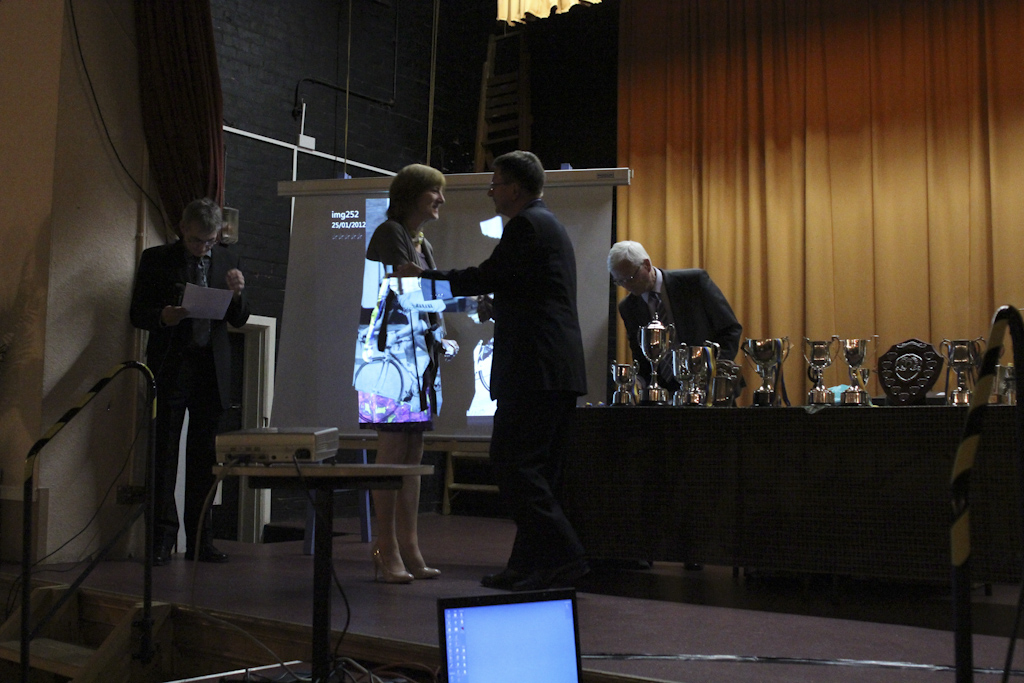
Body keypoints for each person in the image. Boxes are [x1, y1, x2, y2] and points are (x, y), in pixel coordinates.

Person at [396, 150, 589, 592]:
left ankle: (567, 555)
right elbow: (532, 293)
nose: (490, 191)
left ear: (515, 189)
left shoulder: (527, 225)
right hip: (553, 371)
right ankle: (527, 566)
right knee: (537, 472)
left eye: (495, 183)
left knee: (513, 465)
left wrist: (424, 277)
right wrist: (500, 307)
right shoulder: (548, 225)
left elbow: (486, 275)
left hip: (534, 372)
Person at [130, 198, 250, 565]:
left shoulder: (228, 259)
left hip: (211, 368)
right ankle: (162, 540)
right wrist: (162, 317)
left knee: (204, 458)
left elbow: (239, 320)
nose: (202, 248)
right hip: (172, 364)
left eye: (210, 241)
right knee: (164, 454)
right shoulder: (156, 259)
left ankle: (201, 540)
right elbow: (137, 312)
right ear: (182, 228)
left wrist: (238, 294)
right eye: (197, 240)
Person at [357, 164, 458, 584]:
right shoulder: (390, 233)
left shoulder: (421, 242)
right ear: (412, 194)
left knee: (413, 453)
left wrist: (444, 332)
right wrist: (464, 295)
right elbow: (409, 289)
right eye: (434, 191)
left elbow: (429, 298)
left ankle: (409, 545)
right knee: (394, 450)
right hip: (390, 360)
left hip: (419, 358)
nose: (441, 199)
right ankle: (385, 546)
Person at [608, 240, 742, 392]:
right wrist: (638, 383)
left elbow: (730, 329)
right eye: (620, 281)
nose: (627, 286)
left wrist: (713, 370)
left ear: (646, 265)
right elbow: (641, 357)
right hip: (665, 393)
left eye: (630, 278)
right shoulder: (628, 307)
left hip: (710, 387)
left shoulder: (693, 282)